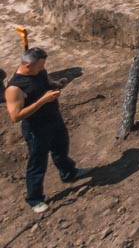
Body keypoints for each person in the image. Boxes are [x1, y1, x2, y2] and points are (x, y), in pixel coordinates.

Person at [5, 47, 89, 213]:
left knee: (61, 149)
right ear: (28, 66)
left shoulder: (40, 72)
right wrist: (42, 101)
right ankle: (34, 199)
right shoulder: (14, 89)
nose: (43, 68)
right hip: (36, 129)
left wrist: (55, 85)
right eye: (40, 65)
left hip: (54, 119)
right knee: (38, 163)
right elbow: (15, 116)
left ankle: (68, 173)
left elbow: (46, 83)